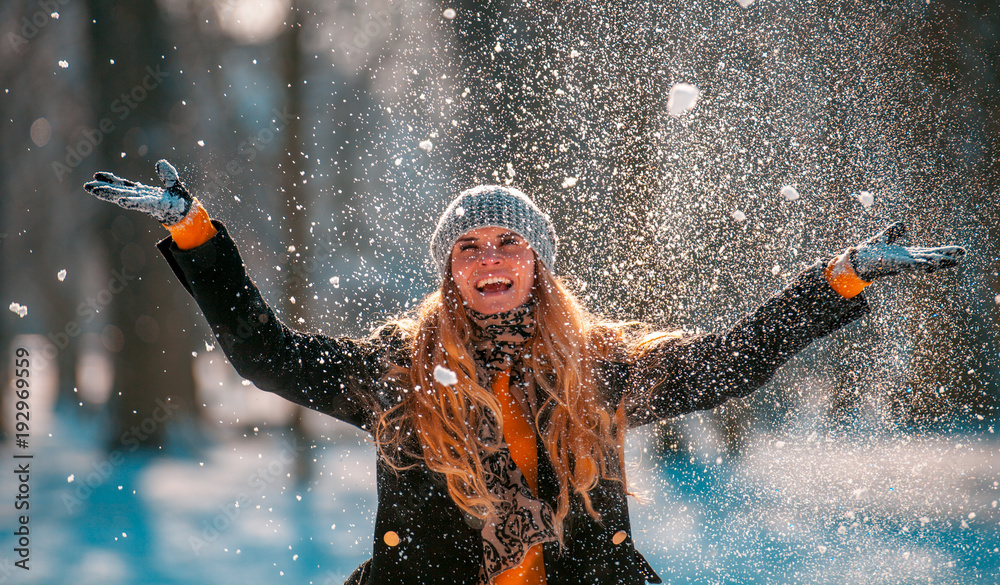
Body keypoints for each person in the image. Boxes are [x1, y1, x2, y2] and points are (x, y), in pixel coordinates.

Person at [83, 160, 964, 585]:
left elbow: (733, 359)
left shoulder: (599, 368)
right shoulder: (398, 375)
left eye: (510, 242)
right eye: (471, 246)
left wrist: (838, 278)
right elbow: (264, 354)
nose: (491, 257)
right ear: (450, 270)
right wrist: (199, 233)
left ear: (538, 263)